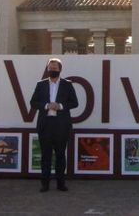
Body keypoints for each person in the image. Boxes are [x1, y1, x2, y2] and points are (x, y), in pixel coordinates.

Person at [30, 58, 78, 192]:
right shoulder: (40, 85)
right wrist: (46, 105)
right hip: (45, 125)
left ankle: (60, 183)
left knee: (60, 155)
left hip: (62, 126)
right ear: (47, 69)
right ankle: (44, 184)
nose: (52, 70)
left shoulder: (67, 84)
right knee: (45, 156)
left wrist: (60, 106)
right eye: (50, 68)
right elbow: (33, 102)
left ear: (60, 69)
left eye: (55, 68)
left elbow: (75, 103)